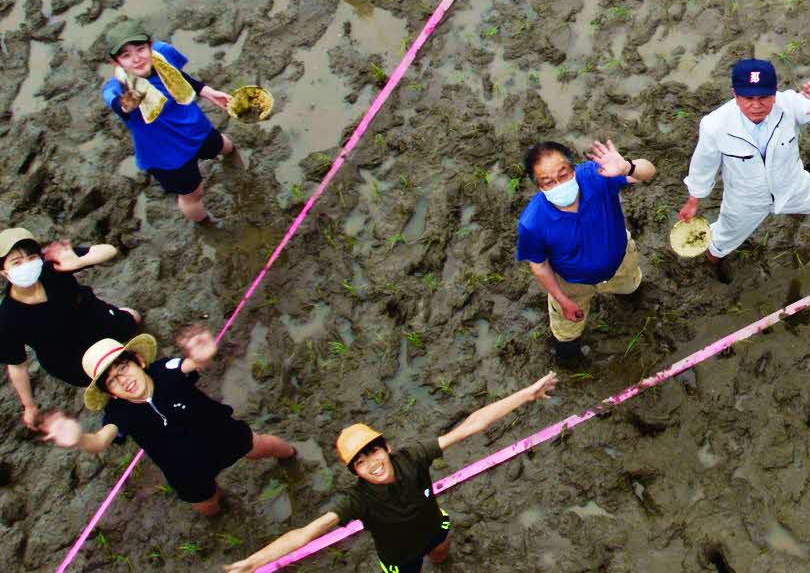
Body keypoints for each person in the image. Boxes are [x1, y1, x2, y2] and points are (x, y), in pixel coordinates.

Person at [221, 372, 559, 573]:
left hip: (432, 526)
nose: (373, 462)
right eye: (361, 462)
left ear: (387, 448)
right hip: (398, 557)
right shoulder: (358, 501)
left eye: (374, 451)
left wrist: (526, 395)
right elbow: (306, 533)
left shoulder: (412, 457)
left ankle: (442, 559)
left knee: (441, 551)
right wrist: (253, 563)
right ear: (355, 471)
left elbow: (470, 426)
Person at [40, 328, 296, 516]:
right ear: (111, 394)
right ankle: (221, 512)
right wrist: (78, 439)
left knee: (260, 445)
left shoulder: (165, 370)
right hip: (182, 467)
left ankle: (291, 454)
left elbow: (191, 364)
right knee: (205, 503)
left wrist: (201, 355)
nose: (123, 380)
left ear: (139, 362)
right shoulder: (118, 413)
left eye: (124, 369)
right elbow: (99, 441)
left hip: (220, 433)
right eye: (113, 382)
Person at [679, 60, 810, 267]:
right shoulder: (714, 124)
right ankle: (713, 264)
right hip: (744, 200)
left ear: (774, 93)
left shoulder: (789, 105)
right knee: (722, 240)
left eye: (764, 97)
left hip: (792, 186)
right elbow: (703, 164)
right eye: (748, 98)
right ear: (735, 95)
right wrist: (694, 200)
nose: (756, 105)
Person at [515, 140, 655, 361]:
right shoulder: (532, 223)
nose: (559, 184)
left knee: (631, 289)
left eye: (563, 174)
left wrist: (628, 167)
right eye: (548, 181)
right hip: (571, 284)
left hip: (620, 263)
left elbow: (648, 172)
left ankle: (632, 299)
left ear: (573, 168)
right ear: (539, 186)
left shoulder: (597, 175)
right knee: (566, 333)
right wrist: (562, 300)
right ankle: (569, 360)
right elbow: (539, 265)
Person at [2, 227, 141, 430]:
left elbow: (108, 250)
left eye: (32, 257)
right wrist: (29, 406)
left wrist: (80, 261)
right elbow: (17, 366)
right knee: (109, 384)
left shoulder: (53, 266)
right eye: (17, 262)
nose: (27, 265)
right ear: (4, 271)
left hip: (99, 322)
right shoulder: (7, 318)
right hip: (72, 361)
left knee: (134, 318)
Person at [100, 23, 238, 223]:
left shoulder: (162, 54)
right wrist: (131, 97)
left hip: (196, 128)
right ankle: (205, 224)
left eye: (140, 49)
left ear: (150, 45)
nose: (136, 58)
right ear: (116, 62)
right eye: (126, 55)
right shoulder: (114, 91)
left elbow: (178, 76)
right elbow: (121, 105)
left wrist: (205, 91)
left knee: (224, 145)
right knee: (194, 195)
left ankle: (234, 160)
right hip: (168, 158)